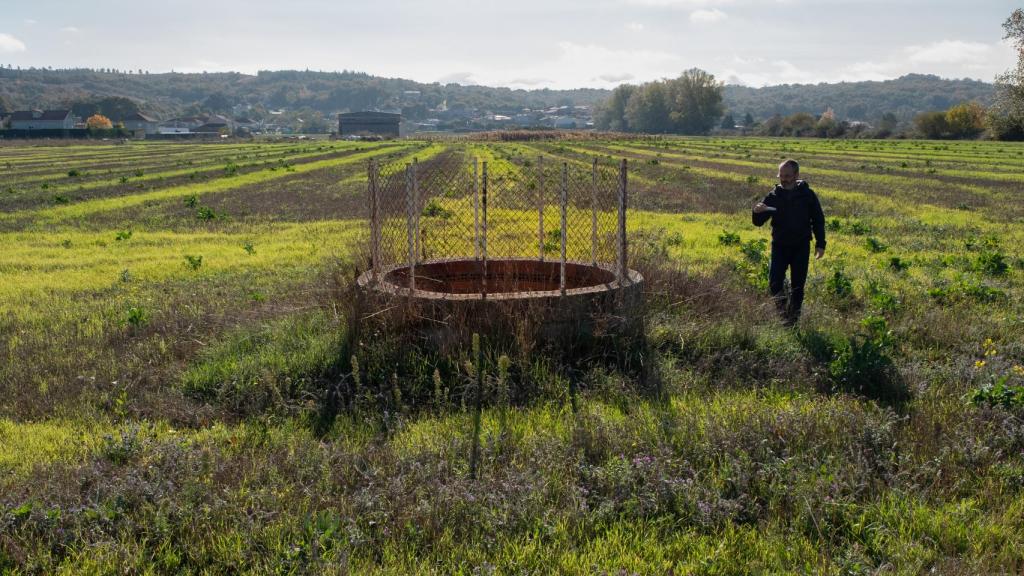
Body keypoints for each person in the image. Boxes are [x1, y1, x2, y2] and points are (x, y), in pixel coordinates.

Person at [752, 159, 825, 326]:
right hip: (779, 246)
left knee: (798, 285)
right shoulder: (773, 196)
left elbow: (818, 220)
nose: (783, 179)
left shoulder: (808, 195)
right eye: (781, 175)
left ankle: (793, 320)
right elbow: (758, 221)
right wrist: (756, 212)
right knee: (775, 282)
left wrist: (821, 244)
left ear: (796, 175)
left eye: (787, 176)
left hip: (801, 246)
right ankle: (782, 314)